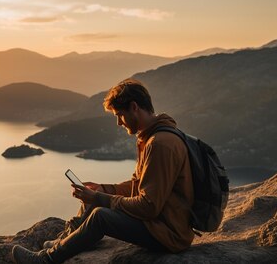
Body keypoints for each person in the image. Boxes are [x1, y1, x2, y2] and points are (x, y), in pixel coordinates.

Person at [12, 78, 195, 263]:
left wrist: (100, 199)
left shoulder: (160, 144)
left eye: (119, 115)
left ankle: (46, 260)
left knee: (100, 215)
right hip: (159, 223)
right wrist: (104, 189)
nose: (118, 122)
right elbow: (138, 184)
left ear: (134, 107)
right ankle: (66, 241)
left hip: (168, 233)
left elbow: (149, 207)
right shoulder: (151, 137)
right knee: (96, 196)